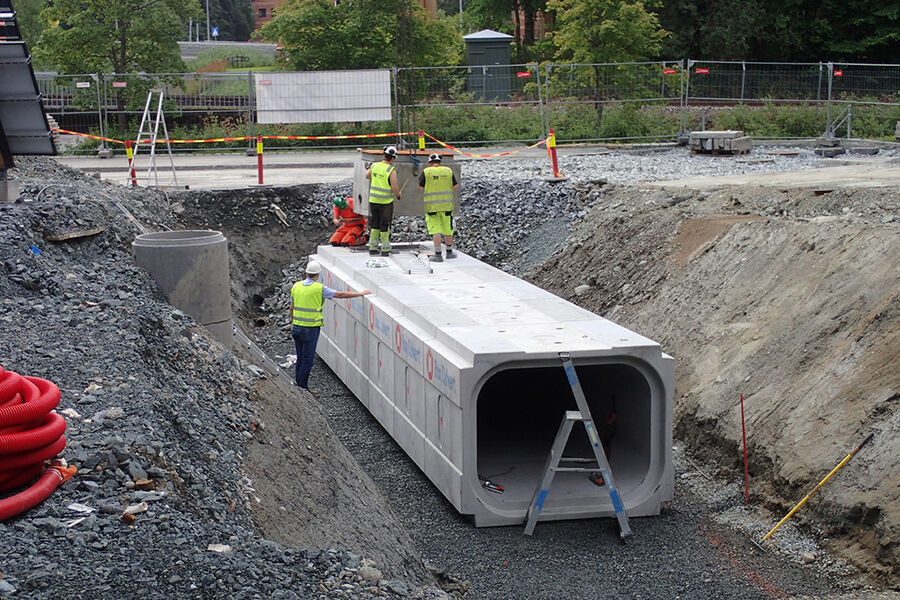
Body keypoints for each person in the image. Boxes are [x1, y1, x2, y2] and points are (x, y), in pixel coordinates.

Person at [290, 260, 371, 390]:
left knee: (300, 357)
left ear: (306, 273)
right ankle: (302, 387)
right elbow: (340, 294)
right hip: (310, 329)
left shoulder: (296, 286)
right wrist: (360, 294)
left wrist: (294, 321)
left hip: (297, 327)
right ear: (317, 275)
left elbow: (291, 307)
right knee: (308, 359)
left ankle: (298, 386)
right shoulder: (319, 289)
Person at [418, 152, 459, 262]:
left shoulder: (426, 172)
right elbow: (456, 186)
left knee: (436, 229)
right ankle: (449, 252)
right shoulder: (448, 170)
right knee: (448, 229)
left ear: (430, 162)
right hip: (446, 206)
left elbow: (420, 188)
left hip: (432, 207)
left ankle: (438, 254)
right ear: (440, 162)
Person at [365, 145, 402, 256]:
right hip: (385, 202)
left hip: (373, 200)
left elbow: (367, 176)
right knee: (385, 224)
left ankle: (373, 247)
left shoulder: (374, 165)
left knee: (375, 222)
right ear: (393, 158)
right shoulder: (391, 170)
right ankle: (385, 248)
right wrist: (398, 195)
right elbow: (394, 187)